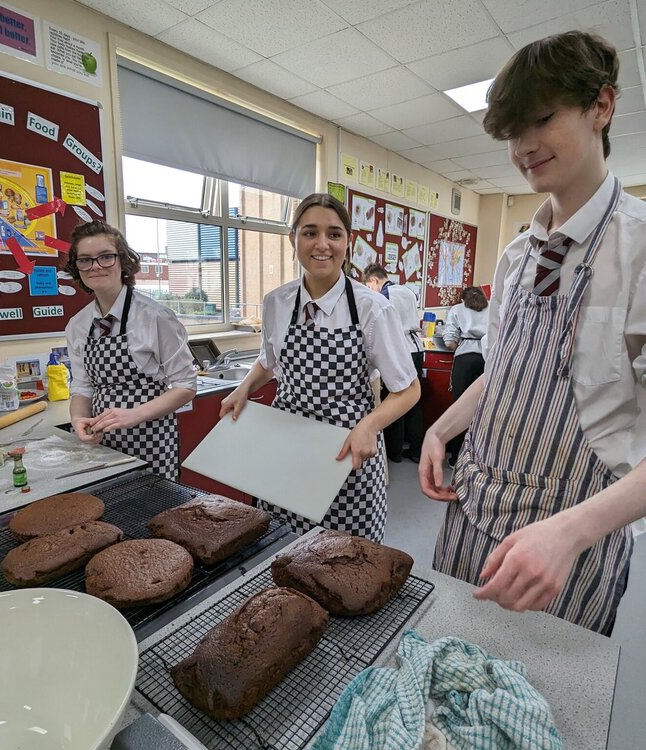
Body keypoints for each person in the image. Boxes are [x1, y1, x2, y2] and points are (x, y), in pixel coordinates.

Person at [419, 30, 646, 635]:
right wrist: (442, 429)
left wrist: (570, 532)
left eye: (541, 119)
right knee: (444, 672)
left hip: (568, 540)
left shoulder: (640, 248)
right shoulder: (520, 256)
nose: (524, 147)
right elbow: (508, 370)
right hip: (473, 511)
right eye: (512, 133)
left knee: (533, 708)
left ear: (601, 106)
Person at [220, 194, 420, 542]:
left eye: (334, 234)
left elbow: (407, 389)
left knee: (346, 553)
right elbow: (269, 361)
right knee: (283, 545)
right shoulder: (276, 303)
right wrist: (243, 389)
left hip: (347, 447)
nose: (322, 245)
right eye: (310, 233)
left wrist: (370, 426)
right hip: (287, 444)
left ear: (348, 242)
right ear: (293, 239)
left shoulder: (372, 309)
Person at [64, 220, 196, 480]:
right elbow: (82, 387)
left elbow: (186, 386)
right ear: (77, 267)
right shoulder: (77, 325)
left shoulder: (155, 317)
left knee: (153, 514)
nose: (96, 266)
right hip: (101, 442)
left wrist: (132, 415)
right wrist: (79, 419)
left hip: (151, 440)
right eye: (85, 260)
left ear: (122, 261)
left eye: (106, 257)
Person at [362, 263, 424, 463]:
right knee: (414, 401)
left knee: (395, 396)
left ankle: (394, 452)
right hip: (417, 349)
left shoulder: (384, 296)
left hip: (401, 349)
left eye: (368, 286)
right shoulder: (407, 291)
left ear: (373, 280)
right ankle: (416, 451)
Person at [441, 286, 489, 466]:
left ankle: (456, 457)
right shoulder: (492, 307)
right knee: (484, 409)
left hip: (465, 360)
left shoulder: (457, 309)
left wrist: (460, 345)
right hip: (488, 359)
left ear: (463, 299)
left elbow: (449, 341)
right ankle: (479, 458)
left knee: (459, 409)